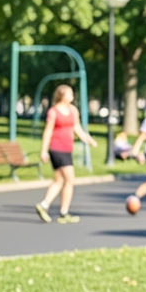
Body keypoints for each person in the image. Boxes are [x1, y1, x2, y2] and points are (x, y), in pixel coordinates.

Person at [35, 85, 98, 224]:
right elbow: (48, 131)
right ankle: (63, 212)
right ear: (61, 95)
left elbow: (77, 128)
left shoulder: (73, 110)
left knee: (58, 180)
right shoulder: (53, 112)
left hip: (67, 148)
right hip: (56, 148)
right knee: (70, 179)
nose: (72, 95)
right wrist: (43, 150)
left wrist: (89, 140)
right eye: (69, 93)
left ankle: (44, 205)